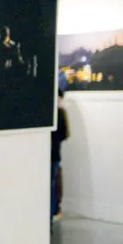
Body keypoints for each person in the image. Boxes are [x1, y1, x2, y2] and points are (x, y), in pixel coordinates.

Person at [52, 88, 69, 222]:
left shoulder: (58, 113)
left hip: (53, 155)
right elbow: (64, 135)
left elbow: (64, 134)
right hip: (55, 154)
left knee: (52, 185)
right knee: (52, 185)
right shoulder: (60, 113)